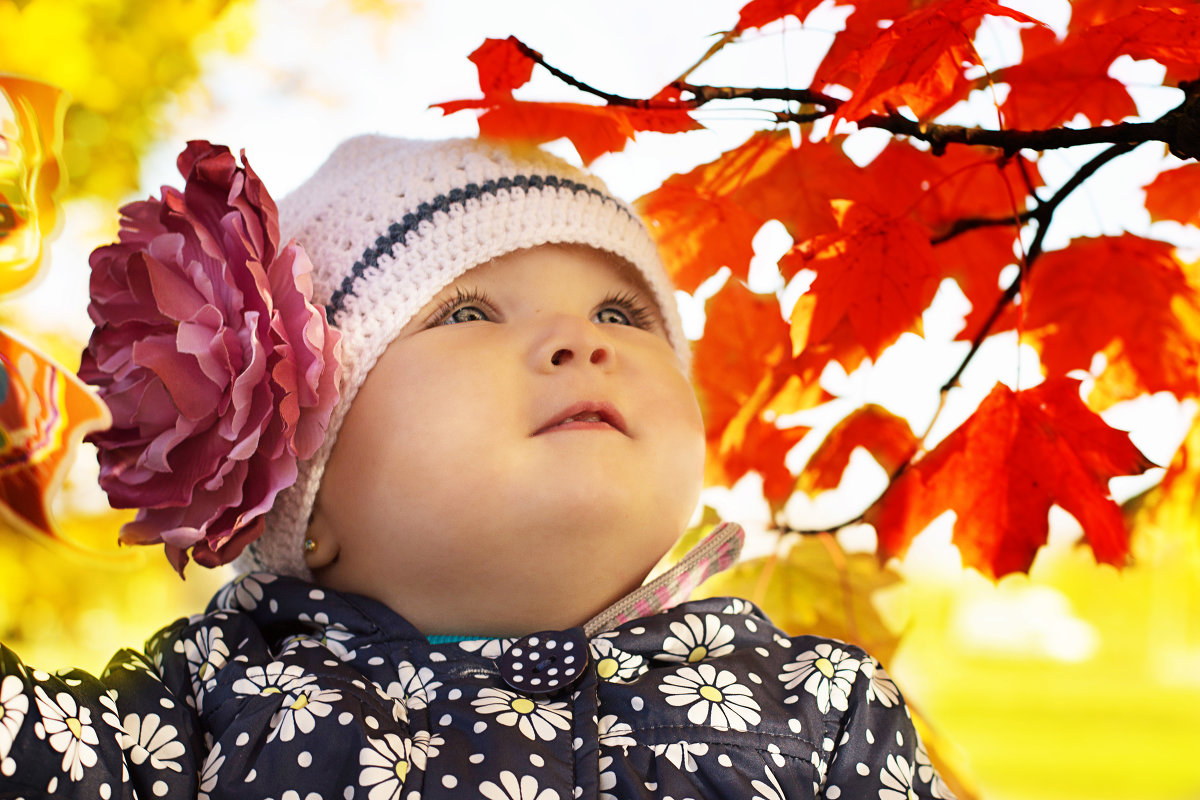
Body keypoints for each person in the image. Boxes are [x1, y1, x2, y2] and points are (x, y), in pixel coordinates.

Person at [0, 135, 951, 799]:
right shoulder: (203, 713)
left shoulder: (814, 710)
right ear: (305, 500)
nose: (580, 343)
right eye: (466, 313)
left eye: (621, 315)